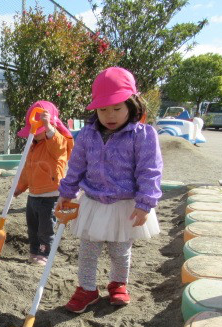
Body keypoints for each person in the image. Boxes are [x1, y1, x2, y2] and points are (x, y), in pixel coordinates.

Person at [57, 67, 162, 312]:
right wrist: (66, 192)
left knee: (120, 250)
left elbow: (150, 170)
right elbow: (76, 167)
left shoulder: (142, 135)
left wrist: (145, 203)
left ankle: (118, 284)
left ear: (132, 105)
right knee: (88, 251)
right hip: (93, 201)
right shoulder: (87, 134)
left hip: (124, 204)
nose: (110, 115)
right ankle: (87, 288)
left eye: (117, 108)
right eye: (103, 109)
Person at [13, 101, 73, 265]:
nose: (34, 134)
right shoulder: (32, 146)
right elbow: (27, 170)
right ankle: (34, 251)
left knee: (45, 229)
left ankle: (45, 253)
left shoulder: (56, 142)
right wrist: (19, 187)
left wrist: (48, 128)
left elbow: (59, 146)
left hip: (50, 195)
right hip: (33, 195)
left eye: (38, 131)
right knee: (32, 227)